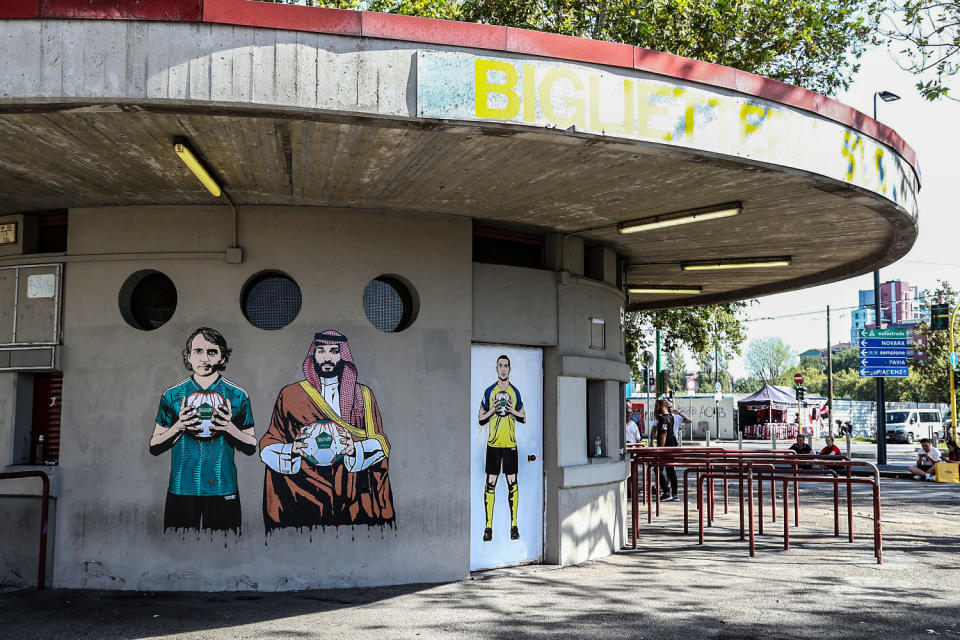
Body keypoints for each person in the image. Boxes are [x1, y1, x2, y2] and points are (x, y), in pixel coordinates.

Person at [260, 330, 394, 530]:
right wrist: (292, 450)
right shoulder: (290, 394)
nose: (327, 357)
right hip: (304, 488)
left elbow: (381, 443)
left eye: (334, 351)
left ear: (343, 357)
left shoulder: (362, 395)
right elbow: (270, 441)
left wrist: (354, 449)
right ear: (313, 355)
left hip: (350, 489)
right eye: (321, 351)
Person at [149, 327, 256, 532]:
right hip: (181, 488)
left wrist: (228, 427)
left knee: (225, 550)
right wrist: (179, 426)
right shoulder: (172, 395)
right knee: (178, 549)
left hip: (223, 487)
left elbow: (251, 445)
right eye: (198, 351)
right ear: (188, 356)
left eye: (212, 352)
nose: (204, 358)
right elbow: (154, 444)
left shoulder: (237, 395)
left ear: (222, 357)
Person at [477, 354, 526, 542]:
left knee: (512, 483)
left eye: (506, 366)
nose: (503, 369)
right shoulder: (489, 391)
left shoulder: (515, 392)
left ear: (509, 369)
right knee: (490, 483)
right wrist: (493, 410)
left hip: (510, 445)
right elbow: (480, 419)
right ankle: (488, 527)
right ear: (496, 369)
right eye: (500, 366)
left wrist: (511, 410)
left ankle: (514, 525)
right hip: (494, 444)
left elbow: (523, 417)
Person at [653, 399, 683, 502]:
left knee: (658, 469)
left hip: (665, 447)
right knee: (670, 469)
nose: (655, 408)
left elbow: (663, 433)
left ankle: (666, 492)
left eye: (657, 406)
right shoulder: (671, 417)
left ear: (662, 406)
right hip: (672, 445)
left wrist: (660, 448)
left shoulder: (663, 419)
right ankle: (675, 493)